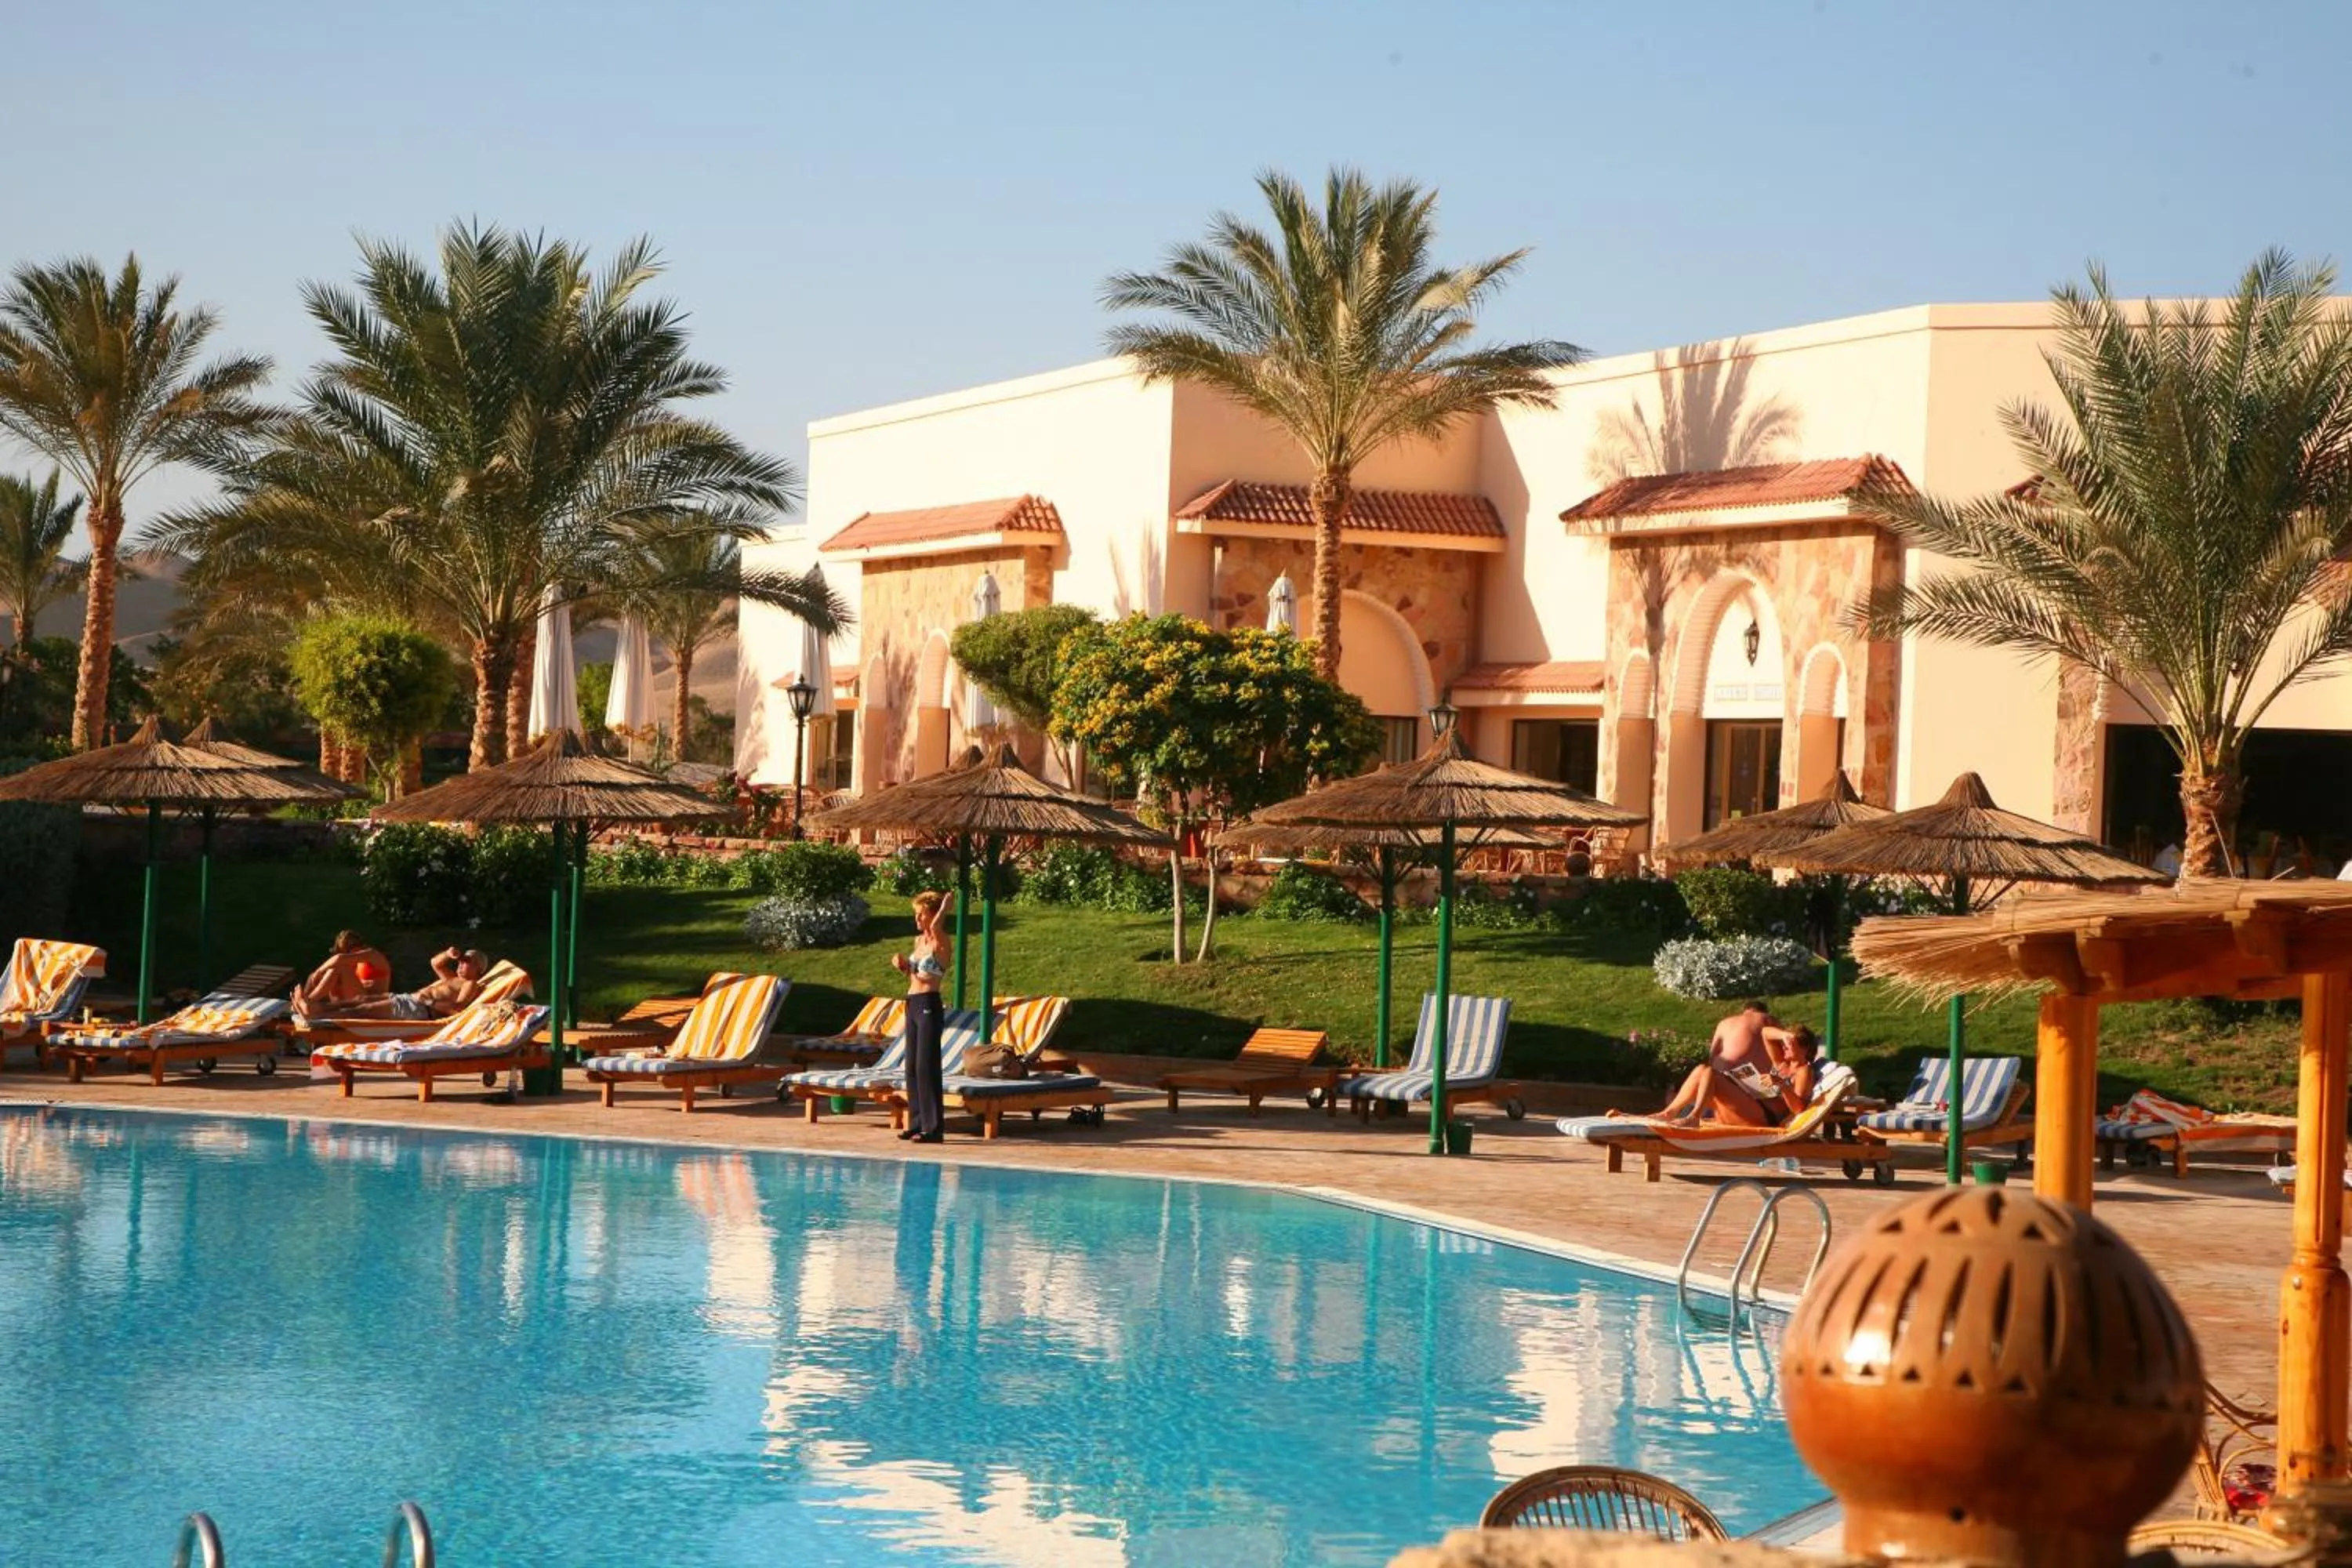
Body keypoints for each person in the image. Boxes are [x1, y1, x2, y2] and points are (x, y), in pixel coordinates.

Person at [1636, 1003, 1819, 1127]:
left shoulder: (1803, 1070)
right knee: (1702, 1070)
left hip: (1767, 1117)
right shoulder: (1782, 1062)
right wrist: (1784, 1036)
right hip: (1755, 1105)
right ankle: (1670, 1112)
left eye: (1790, 1046)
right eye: (1785, 1045)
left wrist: (1781, 1084)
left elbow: (1799, 1109)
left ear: (1805, 1049)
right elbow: (1765, 1032)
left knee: (1713, 1074)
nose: (1784, 1048)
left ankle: (1694, 1117)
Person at [891, 891, 951, 1144]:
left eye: (921, 914)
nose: (917, 919)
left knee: (927, 1066)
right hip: (913, 1002)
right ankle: (916, 1123)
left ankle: (933, 1128)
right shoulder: (919, 942)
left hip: (929, 1003)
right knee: (913, 1067)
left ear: (933, 915)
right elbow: (915, 975)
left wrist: (944, 910)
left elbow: (931, 975)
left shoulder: (941, 942)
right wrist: (904, 966)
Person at [305, 947, 488, 1022]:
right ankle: (318, 1007)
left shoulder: (470, 984)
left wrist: (429, 1002)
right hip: (409, 999)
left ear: (478, 969)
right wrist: (449, 954)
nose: (461, 964)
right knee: (361, 999)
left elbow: (458, 1009)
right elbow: (435, 962)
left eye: (466, 962)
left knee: (364, 1009)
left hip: (419, 1009)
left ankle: (317, 1015)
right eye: (461, 961)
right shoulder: (452, 978)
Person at [295, 931, 392, 1012]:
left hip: (372, 1003)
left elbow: (339, 959)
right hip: (354, 1000)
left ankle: (309, 1002)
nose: (345, 955)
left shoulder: (373, 955)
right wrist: (316, 976)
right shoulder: (356, 961)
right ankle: (305, 1001)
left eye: (345, 952)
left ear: (355, 948)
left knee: (340, 967)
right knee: (315, 975)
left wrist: (319, 971)